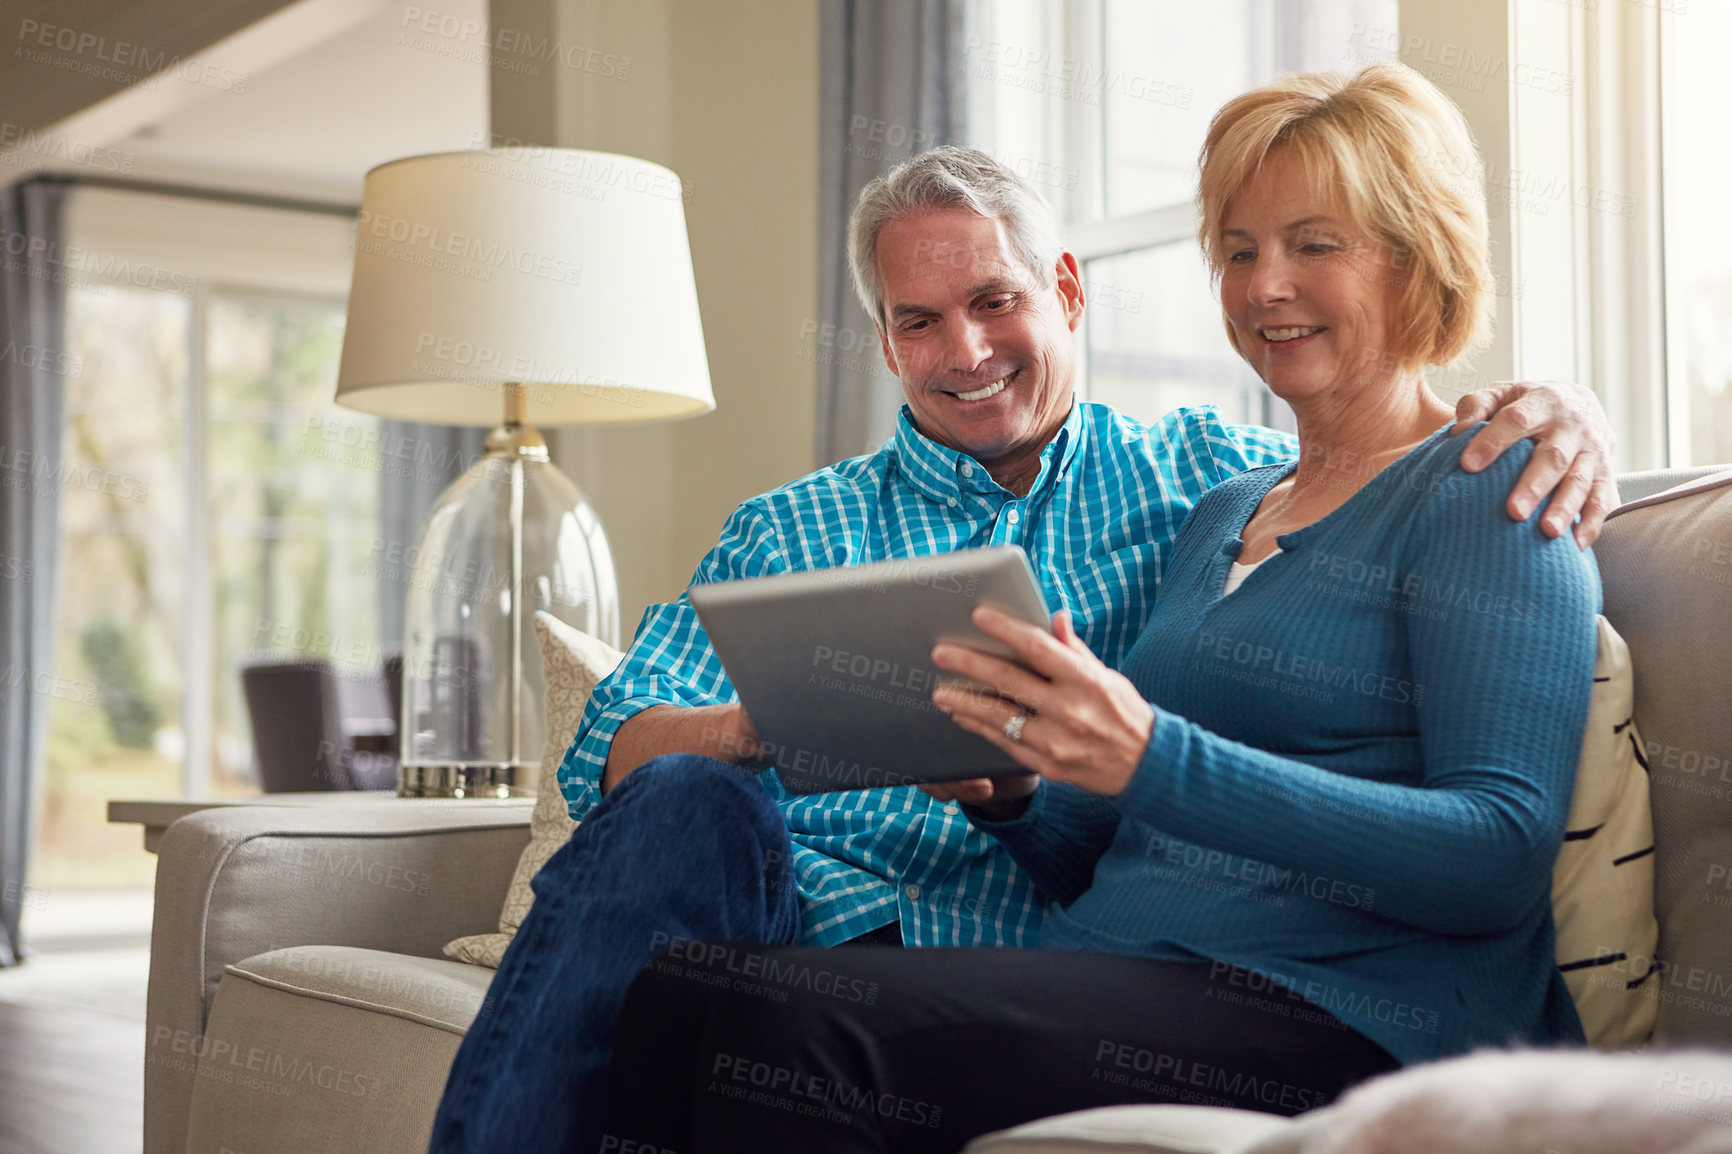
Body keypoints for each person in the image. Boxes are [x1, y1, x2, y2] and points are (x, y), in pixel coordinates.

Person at [430, 124, 1615, 1152]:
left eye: (994, 301)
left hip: (1105, 963)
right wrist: (889, 756)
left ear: (1065, 288)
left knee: (761, 1020)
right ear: (886, 344)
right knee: (693, 846)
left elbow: (1481, 818)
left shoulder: (1199, 474)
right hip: (825, 902)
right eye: (918, 321)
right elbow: (604, 760)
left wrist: (1568, 405)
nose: (964, 350)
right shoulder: (1215, 517)